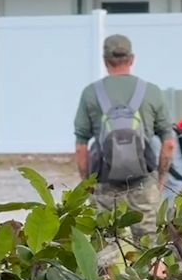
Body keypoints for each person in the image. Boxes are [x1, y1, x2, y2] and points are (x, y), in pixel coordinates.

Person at [74, 34, 175, 263]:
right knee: (150, 248)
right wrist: (159, 179)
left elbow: (81, 145)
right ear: (132, 58)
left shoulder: (91, 93)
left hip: (104, 183)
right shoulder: (151, 91)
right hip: (143, 181)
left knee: (106, 249)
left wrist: (86, 183)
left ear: (105, 59)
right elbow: (168, 143)